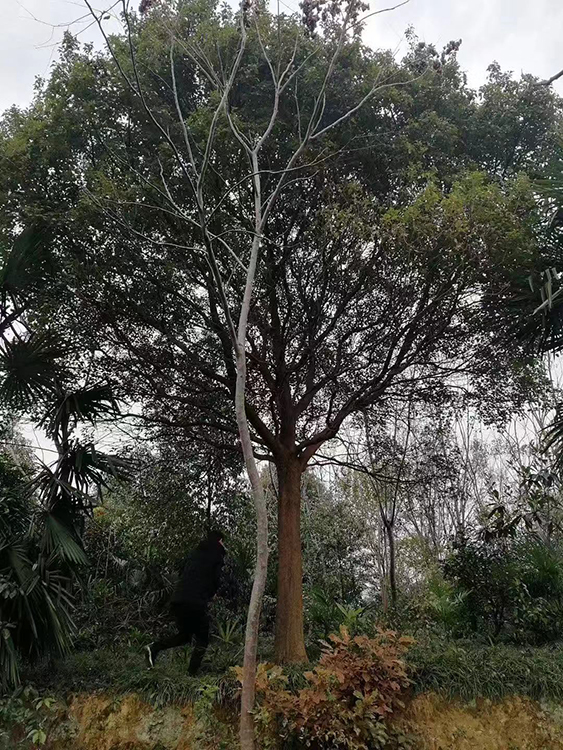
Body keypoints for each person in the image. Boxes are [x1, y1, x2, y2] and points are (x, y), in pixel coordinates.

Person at [145, 529, 226, 675]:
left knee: (185, 636)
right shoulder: (217, 554)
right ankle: (192, 674)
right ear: (219, 541)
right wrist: (212, 593)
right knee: (203, 638)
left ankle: (154, 648)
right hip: (195, 602)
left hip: (179, 600)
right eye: (222, 541)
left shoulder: (195, 553)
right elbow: (215, 579)